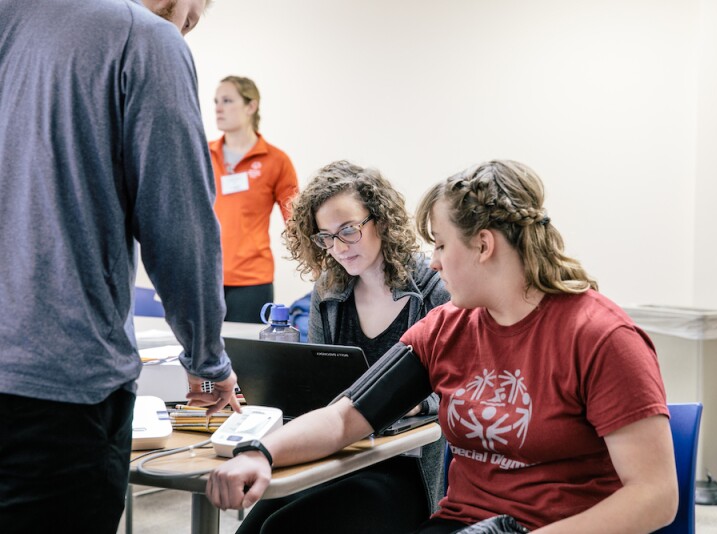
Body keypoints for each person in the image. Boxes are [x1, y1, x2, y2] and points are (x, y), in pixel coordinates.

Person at [206, 160, 678, 533]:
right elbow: (344, 416)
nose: (431, 262)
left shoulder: (602, 337)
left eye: (440, 245)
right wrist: (259, 453)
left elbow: (655, 497)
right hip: (461, 524)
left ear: (484, 246)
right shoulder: (449, 327)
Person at [0, 1, 239, 532]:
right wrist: (208, 359)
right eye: (196, 14)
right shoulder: (145, 39)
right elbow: (180, 227)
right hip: (59, 395)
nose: (190, 25)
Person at [236, 160, 450, 533]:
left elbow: (457, 391)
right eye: (326, 236)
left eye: (349, 230)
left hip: (404, 466)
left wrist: (416, 400)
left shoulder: (432, 287)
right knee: (252, 528)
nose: (338, 247)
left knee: (284, 528)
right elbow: (319, 388)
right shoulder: (329, 292)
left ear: (380, 220)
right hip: (338, 454)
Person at [209, 76, 299, 323]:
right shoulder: (201, 154)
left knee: (245, 358)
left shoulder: (276, 160)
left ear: (251, 106)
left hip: (251, 281)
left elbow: (296, 222)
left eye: (227, 100)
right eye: (216, 101)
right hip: (204, 278)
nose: (218, 107)